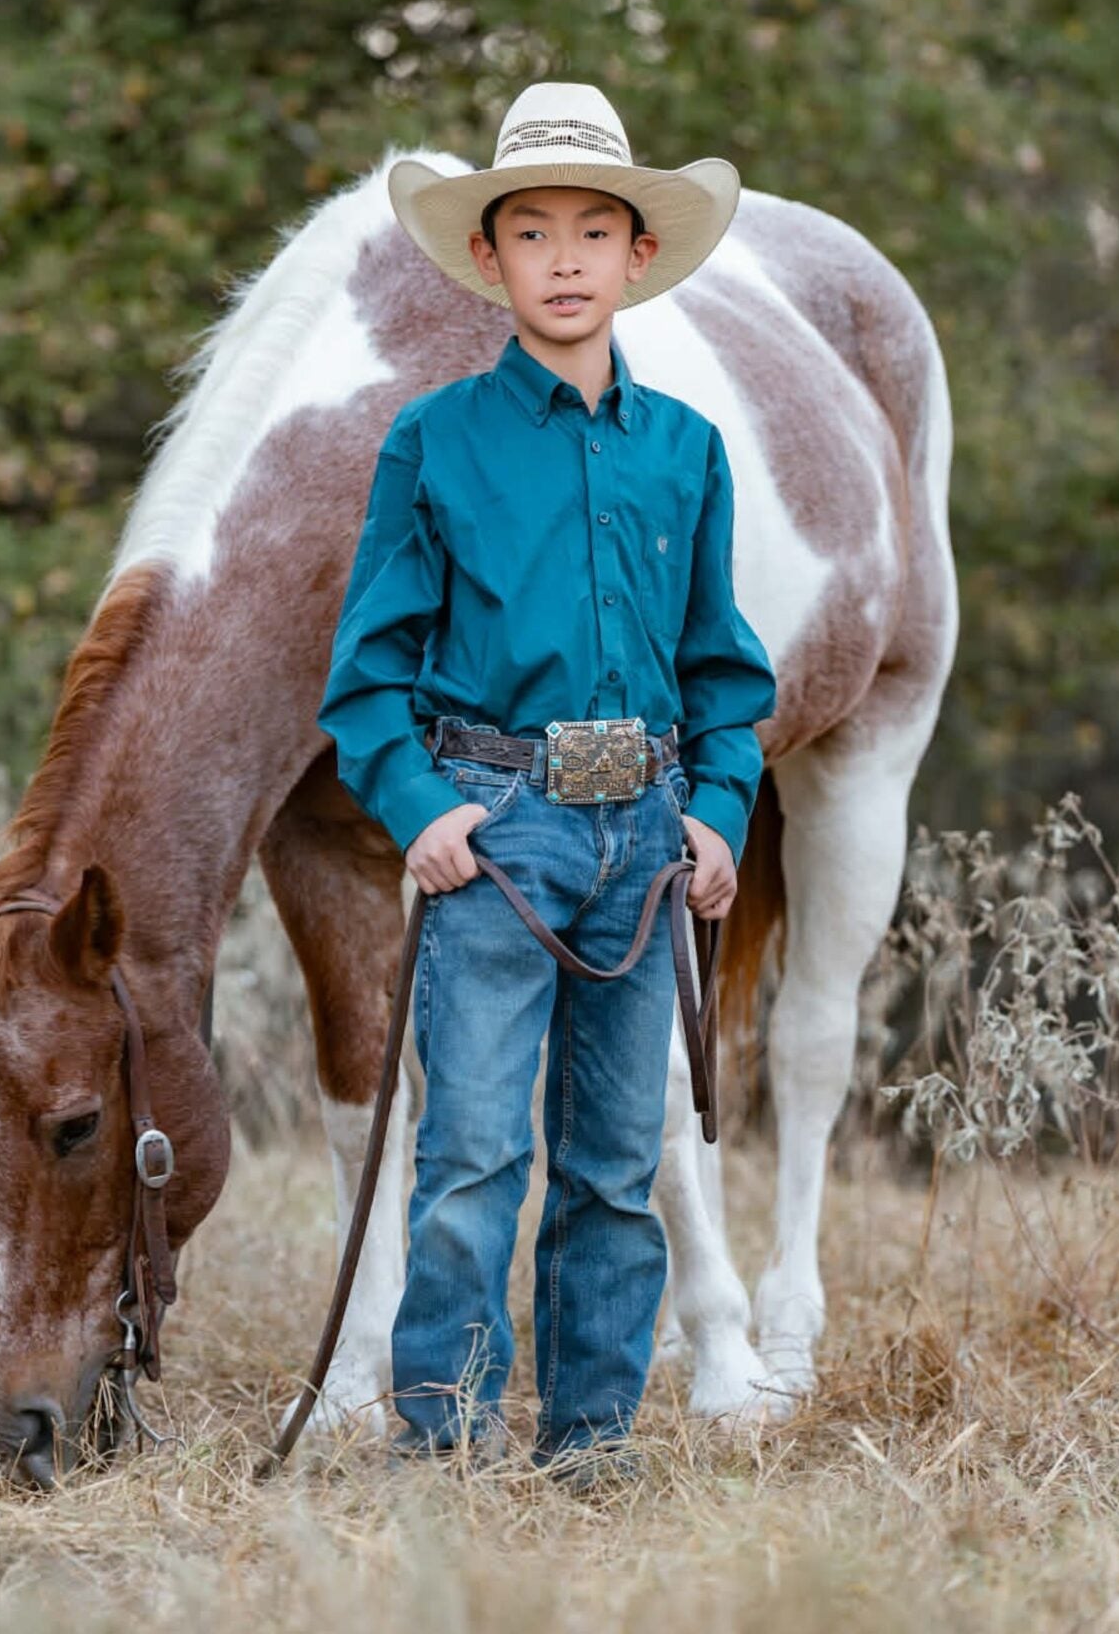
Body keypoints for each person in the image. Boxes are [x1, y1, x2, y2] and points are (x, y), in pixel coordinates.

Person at [316, 81, 778, 1484]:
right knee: (467, 1155)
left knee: (613, 1164)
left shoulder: (686, 455)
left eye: (593, 231)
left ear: (639, 256)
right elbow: (366, 673)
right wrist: (420, 808)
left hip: (644, 834)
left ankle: (591, 1440)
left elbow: (725, 670)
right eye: (532, 232)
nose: (564, 259)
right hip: (494, 832)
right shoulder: (432, 444)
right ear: (488, 260)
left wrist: (717, 811)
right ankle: (440, 1435)